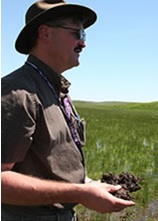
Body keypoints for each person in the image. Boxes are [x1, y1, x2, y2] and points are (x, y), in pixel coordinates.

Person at [1, 1, 135, 220]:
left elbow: (52, 165)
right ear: (45, 33)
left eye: (84, 35)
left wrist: (89, 185)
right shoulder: (17, 92)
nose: (83, 43)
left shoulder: (57, 89)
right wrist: (79, 193)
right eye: (76, 33)